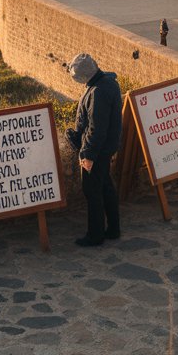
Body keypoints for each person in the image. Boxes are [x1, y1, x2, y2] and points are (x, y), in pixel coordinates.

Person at [67, 53, 122, 246]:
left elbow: (96, 128)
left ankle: (95, 235)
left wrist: (87, 154)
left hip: (97, 151)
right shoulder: (109, 83)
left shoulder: (98, 92)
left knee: (93, 192)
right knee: (105, 187)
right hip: (106, 148)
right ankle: (113, 229)